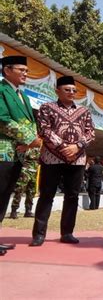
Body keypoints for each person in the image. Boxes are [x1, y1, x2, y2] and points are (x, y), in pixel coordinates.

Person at [30, 76, 95, 247]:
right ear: (57, 90)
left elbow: (90, 133)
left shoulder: (84, 111)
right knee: (46, 195)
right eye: (67, 90)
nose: (72, 93)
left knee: (72, 196)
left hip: (77, 159)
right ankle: (38, 234)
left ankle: (67, 233)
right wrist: (64, 147)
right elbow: (44, 130)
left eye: (74, 90)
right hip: (51, 158)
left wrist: (76, 147)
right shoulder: (46, 108)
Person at [0, 55, 41, 255]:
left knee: (5, 194)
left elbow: (31, 123)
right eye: (21, 70)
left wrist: (30, 143)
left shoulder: (23, 95)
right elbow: (2, 120)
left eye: (26, 70)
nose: (26, 73)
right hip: (2, 151)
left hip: (18, 153)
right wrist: (28, 138)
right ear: (7, 70)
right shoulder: (1, 90)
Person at [9, 146, 40, 218]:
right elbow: (21, 156)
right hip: (25, 171)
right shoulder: (25, 145)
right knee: (19, 190)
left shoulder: (39, 146)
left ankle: (28, 211)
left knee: (31, 192)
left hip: (34, 171)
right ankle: (14, 211)